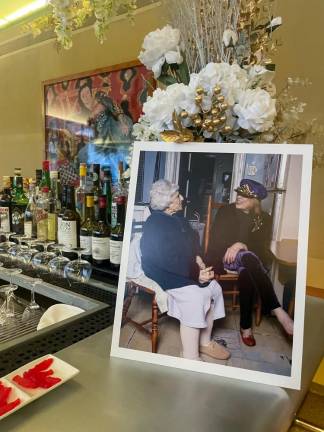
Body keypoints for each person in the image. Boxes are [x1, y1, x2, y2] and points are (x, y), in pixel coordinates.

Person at [140, 179, 230, 361]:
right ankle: (190, 356)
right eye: (177, 195)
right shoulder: (155, 223)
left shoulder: (178, 218)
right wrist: (196, 274)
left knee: (214, 288)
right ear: (167, 202)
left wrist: (199, 260)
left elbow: (192, 243)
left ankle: (204, 343)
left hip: (183, 266)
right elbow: (166, 259)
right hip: (161, 269)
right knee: (195, 296)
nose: (182, 198)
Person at [206, 179, 294, 347]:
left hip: (249, 261)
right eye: (238, 193)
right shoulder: (226, 211)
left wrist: (241, 245)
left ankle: (245, 326)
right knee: (247, 258)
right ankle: (278, 310)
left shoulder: (264, 219)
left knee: (247, 269)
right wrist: (235, 247)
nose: (238, 197)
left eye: (244, 195)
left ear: (254, 201)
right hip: (223, 257)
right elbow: (216, 241)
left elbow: (261, 249)